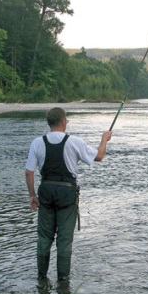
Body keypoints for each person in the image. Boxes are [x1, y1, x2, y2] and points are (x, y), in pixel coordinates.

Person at [25, 107, 112, 281]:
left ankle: (41, 279)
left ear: (49, 123)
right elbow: (100, 156)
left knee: (44, 239)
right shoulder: (74, 142)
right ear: (64, 122)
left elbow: (29, 172)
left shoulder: (37, 143)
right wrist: (104, 139)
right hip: (67, 194)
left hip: (46, 193)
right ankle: (63, 283)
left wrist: (32, 195)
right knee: (64, 241)